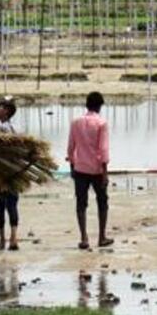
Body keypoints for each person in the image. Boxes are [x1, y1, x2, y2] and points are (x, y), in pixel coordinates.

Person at [66, 90, 112, 249]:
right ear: (100, 106)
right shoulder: (101, 123)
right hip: (97, 169)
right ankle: (101, 236)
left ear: (87, 105)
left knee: (81, 203)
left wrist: (72, 165)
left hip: (80, 168)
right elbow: (103, 150)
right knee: (102, 202)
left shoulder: (76, 122)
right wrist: (105, 172)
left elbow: (71, 147)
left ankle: (84, 237)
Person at [0, 98, 22, 251]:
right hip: (13, 172)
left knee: (0, 205)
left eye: (0, 107)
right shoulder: (13, 128)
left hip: (0, 172)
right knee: (12, 204)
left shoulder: (0, 128)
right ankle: (14, 238)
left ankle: (3, 239)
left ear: (6, 112)